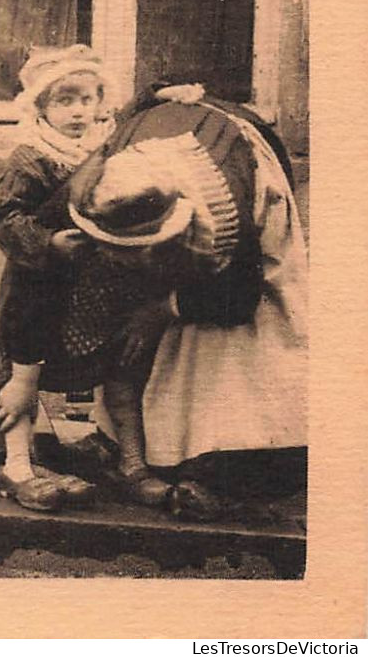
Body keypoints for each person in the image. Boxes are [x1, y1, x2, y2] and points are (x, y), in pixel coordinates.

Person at [58, 84, 307, 514]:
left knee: (234, 344)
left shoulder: (223, 212)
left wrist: (164, 308)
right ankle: (133, 453)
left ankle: (219, 453)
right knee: (131, 335)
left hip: (236, 202)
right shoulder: (107, 181)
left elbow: (240, 294)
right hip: (175, 154)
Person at [0, 45, 115, 509]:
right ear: (41, 106)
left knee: (77, 365)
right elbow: (5, 220)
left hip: (85, 285)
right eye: (65, 101)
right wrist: (47, 243)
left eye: (87, 99)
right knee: (22, 369)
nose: (79, 111)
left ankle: (61, 446)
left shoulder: (102, 151)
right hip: (35, 282)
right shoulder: (31, 157)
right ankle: (16, 462)